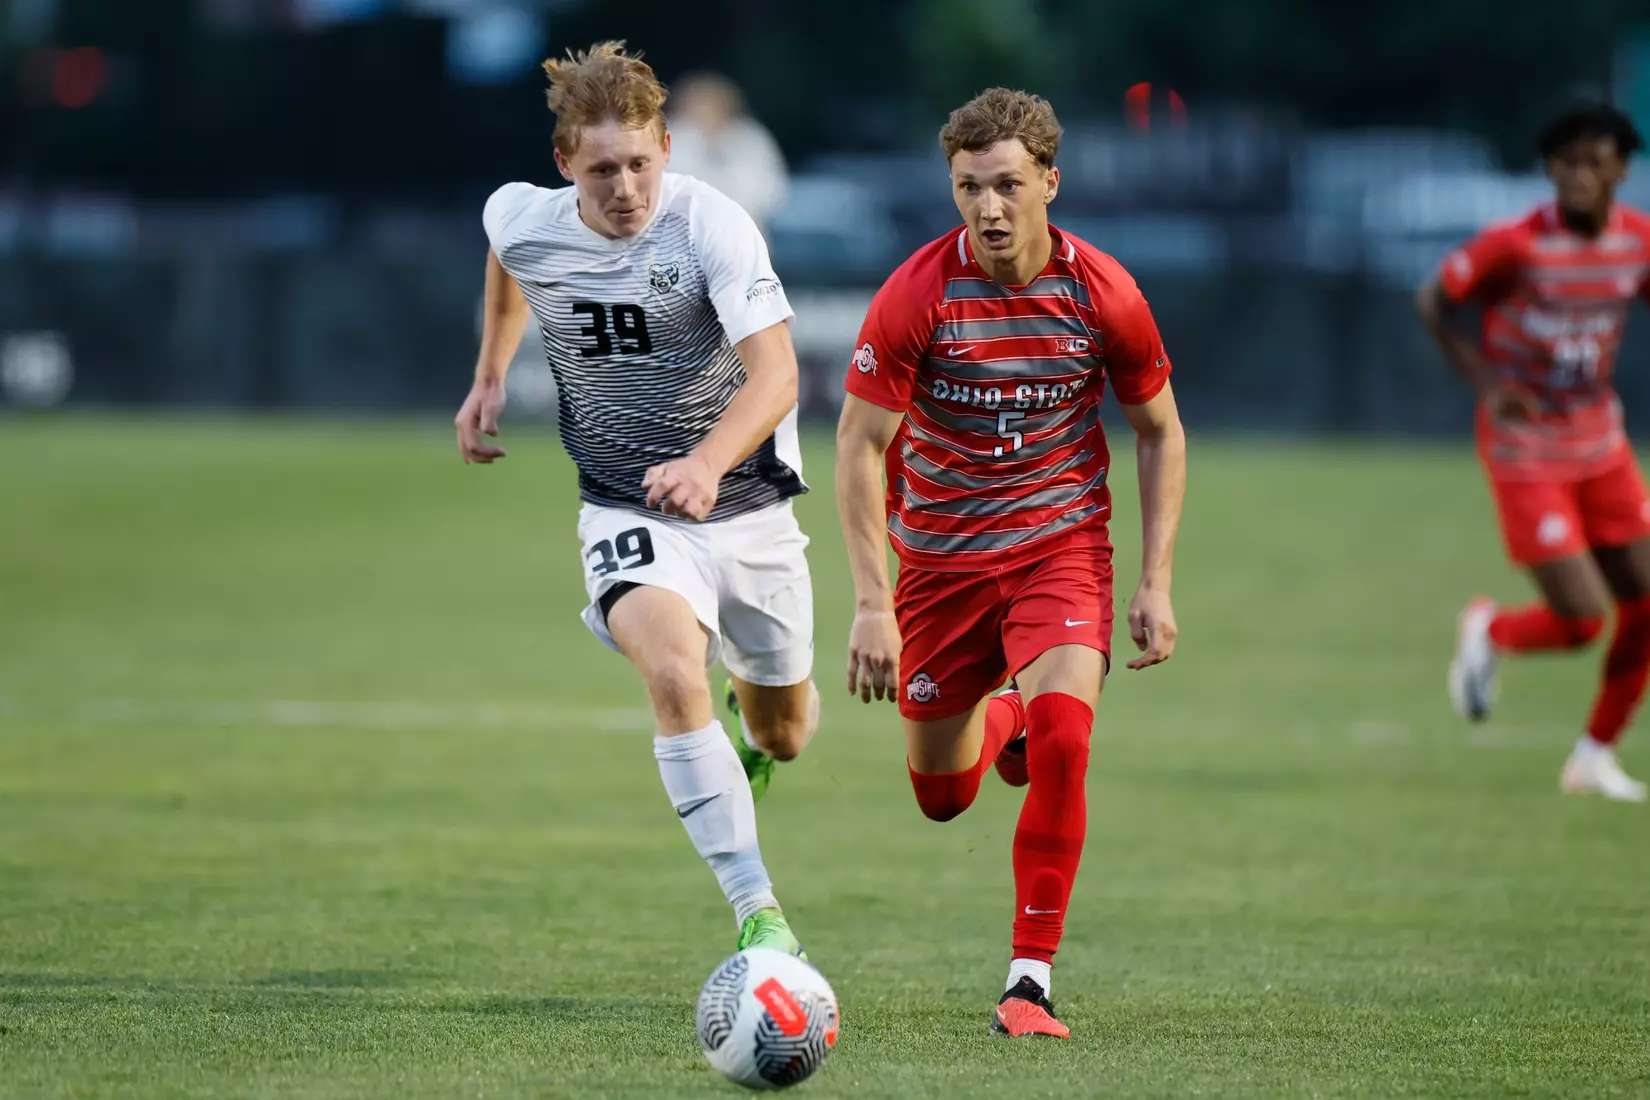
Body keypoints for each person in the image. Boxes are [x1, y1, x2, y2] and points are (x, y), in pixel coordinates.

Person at [834, 88, 1187, 1038]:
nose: (988, 209)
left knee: (1068, 738)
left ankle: (1028, 982)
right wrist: (874, 604)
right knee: (942, 796)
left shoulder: (1102, 292)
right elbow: (859, 447)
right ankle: (1001, 719)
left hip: (1058, 548)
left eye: (1007, 186)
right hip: (940, 566)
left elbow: (1159, 431)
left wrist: (1153, 579)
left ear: (1048, 183)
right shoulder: (916, 295)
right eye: (967, 188)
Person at [454, 41, 819, 952]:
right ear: (564, 164)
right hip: (625, 502)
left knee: (786, 733)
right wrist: (491, 372)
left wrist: (704, 462)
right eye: (603, 168)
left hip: (750, 505)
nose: (625, 188)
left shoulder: (711, 226)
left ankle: (751, 725)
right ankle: (759, 915)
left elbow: (776, 376)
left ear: (667, 146)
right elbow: (507, 256)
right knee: (667, 671)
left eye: (641, 164)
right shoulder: (525, 217)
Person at [1420, 103, 1650, 803]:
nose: (1579, 175)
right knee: (1582, 619)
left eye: (1594, 162)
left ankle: (1593, 756)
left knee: (1646, 601)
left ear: (1619, 168)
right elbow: (1434, 300)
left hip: (1600, 443)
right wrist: (1488, 383)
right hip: (1528, 451)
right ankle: (1490, 628)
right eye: (1566, 163)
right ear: (1549, 170)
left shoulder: (1636, 243)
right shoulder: (1515, 246)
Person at [665, 72, 789, 236]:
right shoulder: (672, 137)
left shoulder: (750, 138)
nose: (705, 111)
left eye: (711, 104)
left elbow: (771, 188)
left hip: (743, 233)